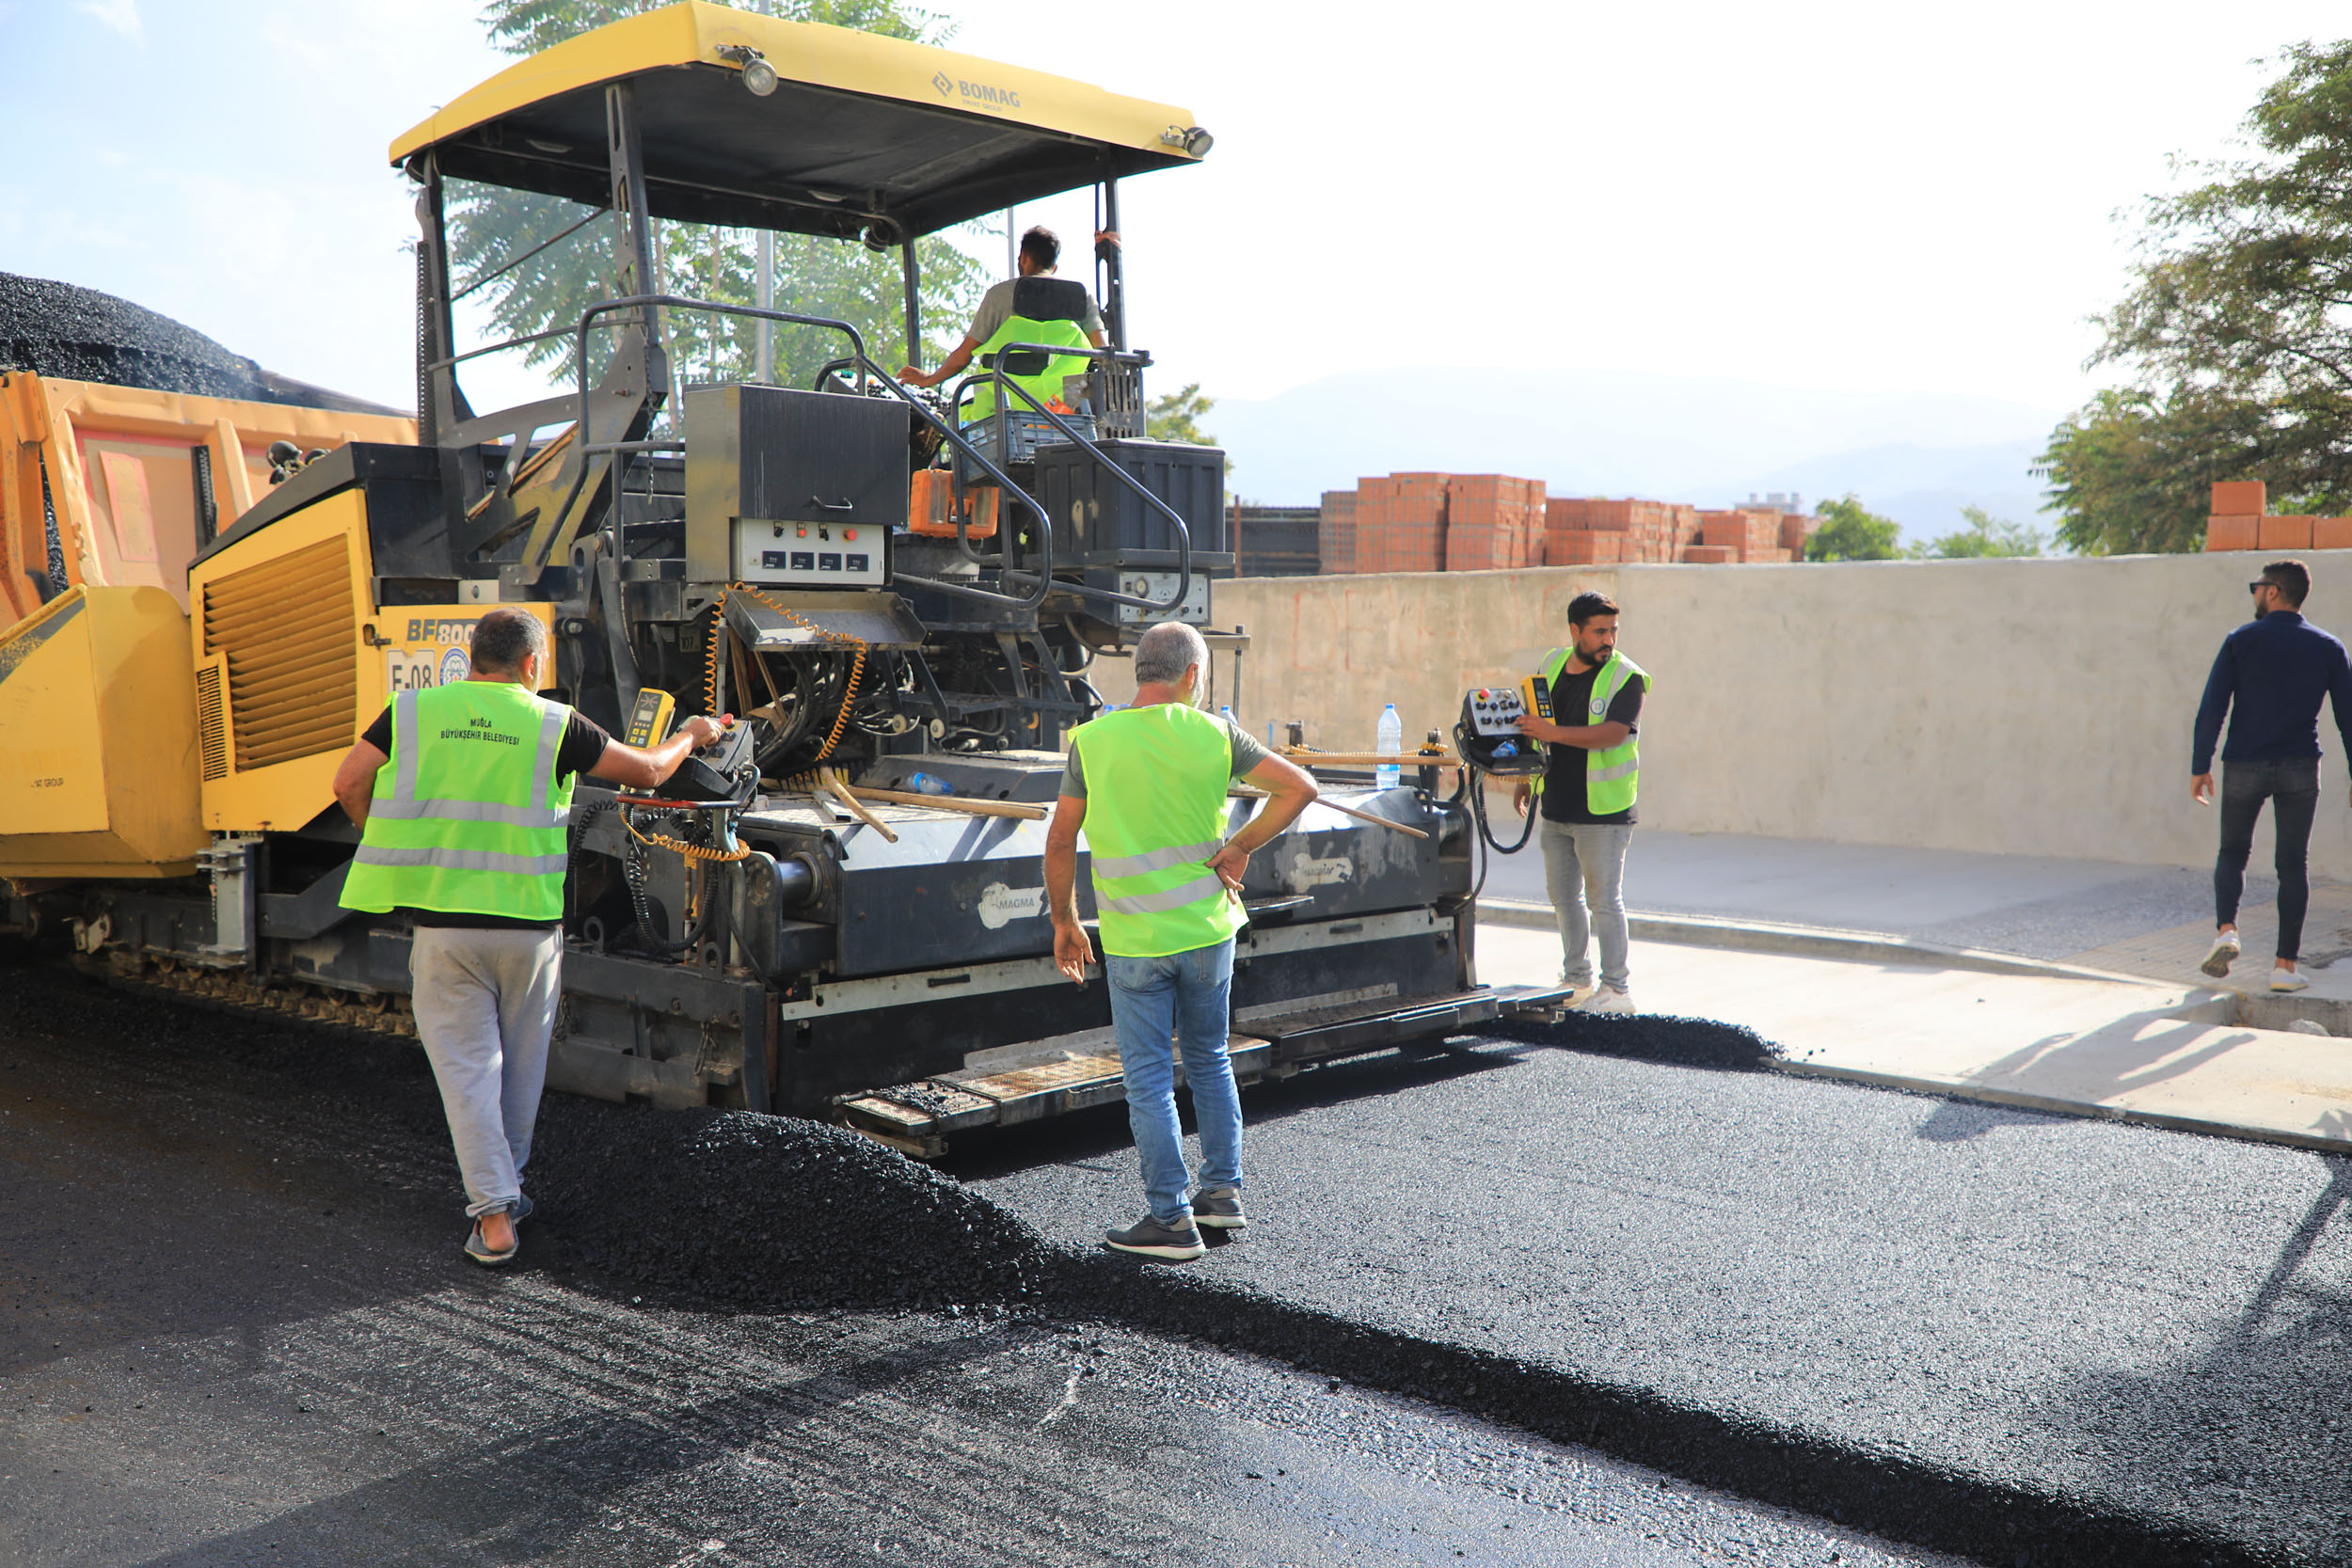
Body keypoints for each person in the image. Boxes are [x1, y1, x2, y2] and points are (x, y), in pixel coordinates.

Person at [331, 609, 727, 1266]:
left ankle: (493, 1217)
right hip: (529, 933)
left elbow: (348, 781)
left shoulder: (410, 711)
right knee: (518, 1076)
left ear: (469, 657)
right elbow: (651, 773)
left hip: (446, 930)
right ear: (531, 665)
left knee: (467, 1075)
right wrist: (692, 732)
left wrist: (387, 834)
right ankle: (504, 1199)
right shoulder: (554, 724)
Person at [1043, 621, 1319, 1261]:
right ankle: (1221, 1194)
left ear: (1142, 672)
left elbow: (1061, 839)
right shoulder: (1218, 733)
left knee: (1147, 1077)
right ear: (1193, 676)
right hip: (1208, 933)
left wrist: (1066, 920)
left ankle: (1169, 1219)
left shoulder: (1093, 740)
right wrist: (1240, 847)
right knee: (1209, 1058)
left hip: (1138, 938)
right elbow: (1301, 788)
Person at [2192, 558, 2352, 992]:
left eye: (2257, 587)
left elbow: (2213, 708)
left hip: (2244, 763)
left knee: (2232, 853)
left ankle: (2227, 931)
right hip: (2301, 765)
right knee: (2292, 865)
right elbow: (2348, 718)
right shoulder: (2328, 647)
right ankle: (2284, 968)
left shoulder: (2240, 641)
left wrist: (2200, 765)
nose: (2255, 594)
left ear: (2274, 591)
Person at [1512, 590, 1649, 1014]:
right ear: (1576, 631)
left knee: (1603, 900)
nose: (1609, 640)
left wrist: (1553, 734)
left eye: (1613, 631)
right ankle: (1576, 979)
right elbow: (1536, 726)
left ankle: (1617, 989)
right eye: (1599, 631)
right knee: (1563, 897)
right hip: (1556, 805)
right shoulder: (1552, 664)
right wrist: (1525, 776)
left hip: (1604, 812)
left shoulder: (1626, 677)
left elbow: (1612, 733)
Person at [896, 225, 1115, 424]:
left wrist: (930, 379)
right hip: (1060, 412)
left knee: (953, 419)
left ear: (1024, 258)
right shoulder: (1081, 296)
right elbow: (1102, 352)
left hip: (1003, 412)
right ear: (1054, 267)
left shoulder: (1000, 295)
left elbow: (964, 355)